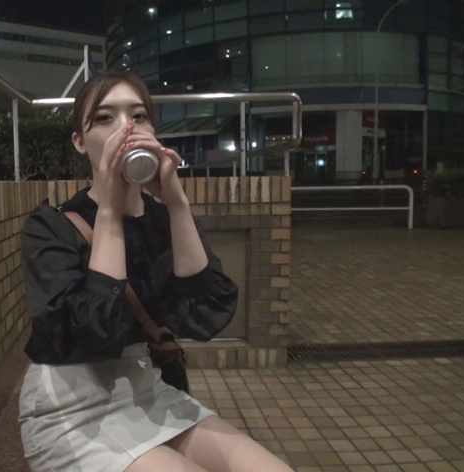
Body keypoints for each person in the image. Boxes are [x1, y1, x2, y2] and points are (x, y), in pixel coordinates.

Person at [18, 70, 293, 472]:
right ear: (79, 140)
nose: (126, 129)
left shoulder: (164, 220)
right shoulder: (51, 226)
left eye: (139, 116)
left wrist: (177, 203)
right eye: (105, 118)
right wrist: (109, 211)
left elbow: (205, 316)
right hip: (69, 406)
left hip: (145, 392)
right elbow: (92, 335)